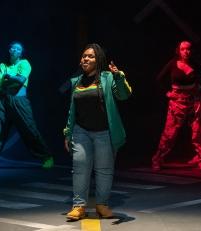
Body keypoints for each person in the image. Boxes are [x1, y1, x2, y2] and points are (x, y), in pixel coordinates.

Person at [63, 43, 132, 220]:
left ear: (98, 59)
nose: (86, 58)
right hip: (81, 132)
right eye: (84, 55)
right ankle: (78, 207)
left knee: (104, 170)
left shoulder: (108, 78)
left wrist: (118, 76)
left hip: (104, 132)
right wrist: (68, 132)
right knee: (80, 168)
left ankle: (102, 205)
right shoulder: (76, 81)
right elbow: (72, 110)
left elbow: (124, 95)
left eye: (91, 56)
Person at [0, 41, 54, 168]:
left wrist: (9, 78)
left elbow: (21, 80)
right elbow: (1, 86)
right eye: (13, 48)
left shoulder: (24, 63)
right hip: (2, 101)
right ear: (9, 50)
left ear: (21, 53)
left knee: (29, 129)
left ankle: (46, 156)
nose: (15, 50)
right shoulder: (3, 65)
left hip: (19, 101)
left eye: (18, 49)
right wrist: (13, 79)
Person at [151, 41, 201, 171]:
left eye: (188, 49)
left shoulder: (194, 64)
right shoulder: (172, 63)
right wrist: (168, 92)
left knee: (198, 132)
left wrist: (198, 85)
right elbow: (159, 79)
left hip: (194, 101)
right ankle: (157, 159)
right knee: (170, 133)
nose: (186, 52)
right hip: (177, 102)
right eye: (183, 49)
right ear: (179, 50)